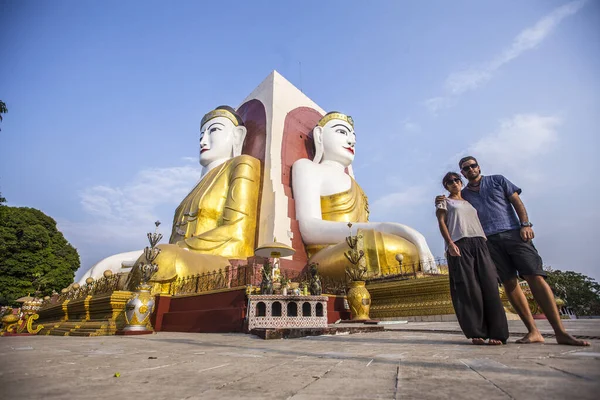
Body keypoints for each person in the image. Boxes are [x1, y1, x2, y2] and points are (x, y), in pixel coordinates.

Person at [436, 157, 589, 346]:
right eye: (465, 169)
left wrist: (525, 224)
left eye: (473, 166)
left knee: (535, 276)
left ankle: (560, 332)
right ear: (462, 173)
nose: (470, 170)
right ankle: (533, 331)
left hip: (513, 234)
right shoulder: (464, 194)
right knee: (509, 283)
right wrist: (440, 202)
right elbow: (448, 210)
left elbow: (516, 200)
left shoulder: (497, 180)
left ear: (478, 166)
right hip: (489, 243)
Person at [126, 106, 262, 292]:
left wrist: (174, 250)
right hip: (186, 257)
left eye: (213, 130)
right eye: (201, 134)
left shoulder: (243, 164)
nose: (203, 140)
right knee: (122, 268)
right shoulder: (195, 187)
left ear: (237, 136)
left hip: (220, 260)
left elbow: (237, 234)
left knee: (162, 259)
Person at [292, 112, 436, 279]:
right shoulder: (308, 168)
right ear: (319, 135)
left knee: (404, 248)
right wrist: (387, 227)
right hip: (326, 254)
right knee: (377, 246)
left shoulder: (355, 185)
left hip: (354, 244)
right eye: (342, 132)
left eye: (353, 137)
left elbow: (362, 227)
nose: (351, 141)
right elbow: (309, 229)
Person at [436, 172, 509, 345]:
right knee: (469, 289)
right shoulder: (444, 201)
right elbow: (441, 222)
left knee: (490, 285)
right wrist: (450, 243)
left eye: (456, 180)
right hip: (459, 243)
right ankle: (476, 331)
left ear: (461, 182)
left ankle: (497, 333)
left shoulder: (470, 201)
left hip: (480, 242)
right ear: (446, 186)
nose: (454, 183)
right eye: (449, 182)